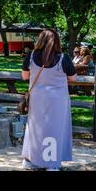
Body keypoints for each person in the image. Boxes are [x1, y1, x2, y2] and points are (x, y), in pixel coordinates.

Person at [21, 29, 77, 171]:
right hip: (58, 100)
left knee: (34, 128)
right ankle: (51, 163)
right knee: (54, 129)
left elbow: (24, 76)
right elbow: (73, 78)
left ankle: (29, 159)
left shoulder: (31, 56)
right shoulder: (63, 58)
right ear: (57, 41)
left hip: (37, 99)